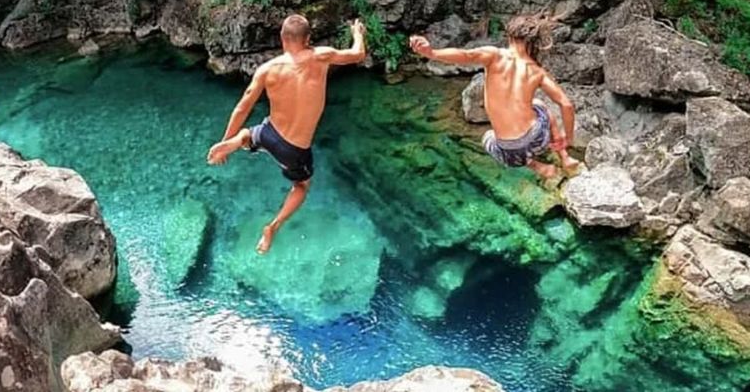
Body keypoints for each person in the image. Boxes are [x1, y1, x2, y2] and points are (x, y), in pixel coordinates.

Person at [207, 14, 367, 254]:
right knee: (301, 186)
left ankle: (240, 138)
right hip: (293, 149)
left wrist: (223, 142)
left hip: (268, 132)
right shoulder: (322, 55)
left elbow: (243, 107)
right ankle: (273, 227)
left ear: (282, 38)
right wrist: (358, 34)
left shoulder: (266, 69)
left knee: (249, 135)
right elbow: (357, 54)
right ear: (308, 38)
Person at [409, 13, 578, 179]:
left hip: (509, 151)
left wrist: (432, 53)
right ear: (532, 42)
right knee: (540, 104)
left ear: (510, 36)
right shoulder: (538, 72)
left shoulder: (494, 55)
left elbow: (465, 55)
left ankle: (537, 166)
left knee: (488, 137)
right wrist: (567, 139)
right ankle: (565, 157)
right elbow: (566, 105)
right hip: (537, 140)